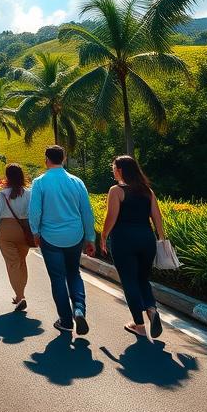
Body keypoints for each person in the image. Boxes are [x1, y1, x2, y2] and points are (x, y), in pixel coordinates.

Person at [29, 145, 96, 334]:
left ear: (46, 159)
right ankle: (79, 309)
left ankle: (66, 321)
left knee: (57, 278)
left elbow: (35, 211)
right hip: (75, 236)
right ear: (64, 159)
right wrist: (90, 238)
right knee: (74, 274)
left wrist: (35, 232)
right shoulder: (77, 182)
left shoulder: (40, 182)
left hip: (50, 238)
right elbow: (87, 212)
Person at [101, 155, 165, 339]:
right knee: (142, 279)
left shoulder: (116, 190)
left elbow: (111, 217)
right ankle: (152, 310)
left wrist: (103, 236)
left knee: (129, 281)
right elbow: (157, 218)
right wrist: (161, 239)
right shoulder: (148, 191)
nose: (113, 170)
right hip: (146, 239)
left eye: (114, 167)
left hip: (124, 240)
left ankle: (139, 325)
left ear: (120, 170)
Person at [0, 164, 32, 310]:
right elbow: (34, 213)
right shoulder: (29, 193)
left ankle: (20, 296)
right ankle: (21, 293)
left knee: (12, 263)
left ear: (7, 177)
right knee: (21, 262)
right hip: (24, 230)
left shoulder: (2, 194)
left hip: (6, 230)